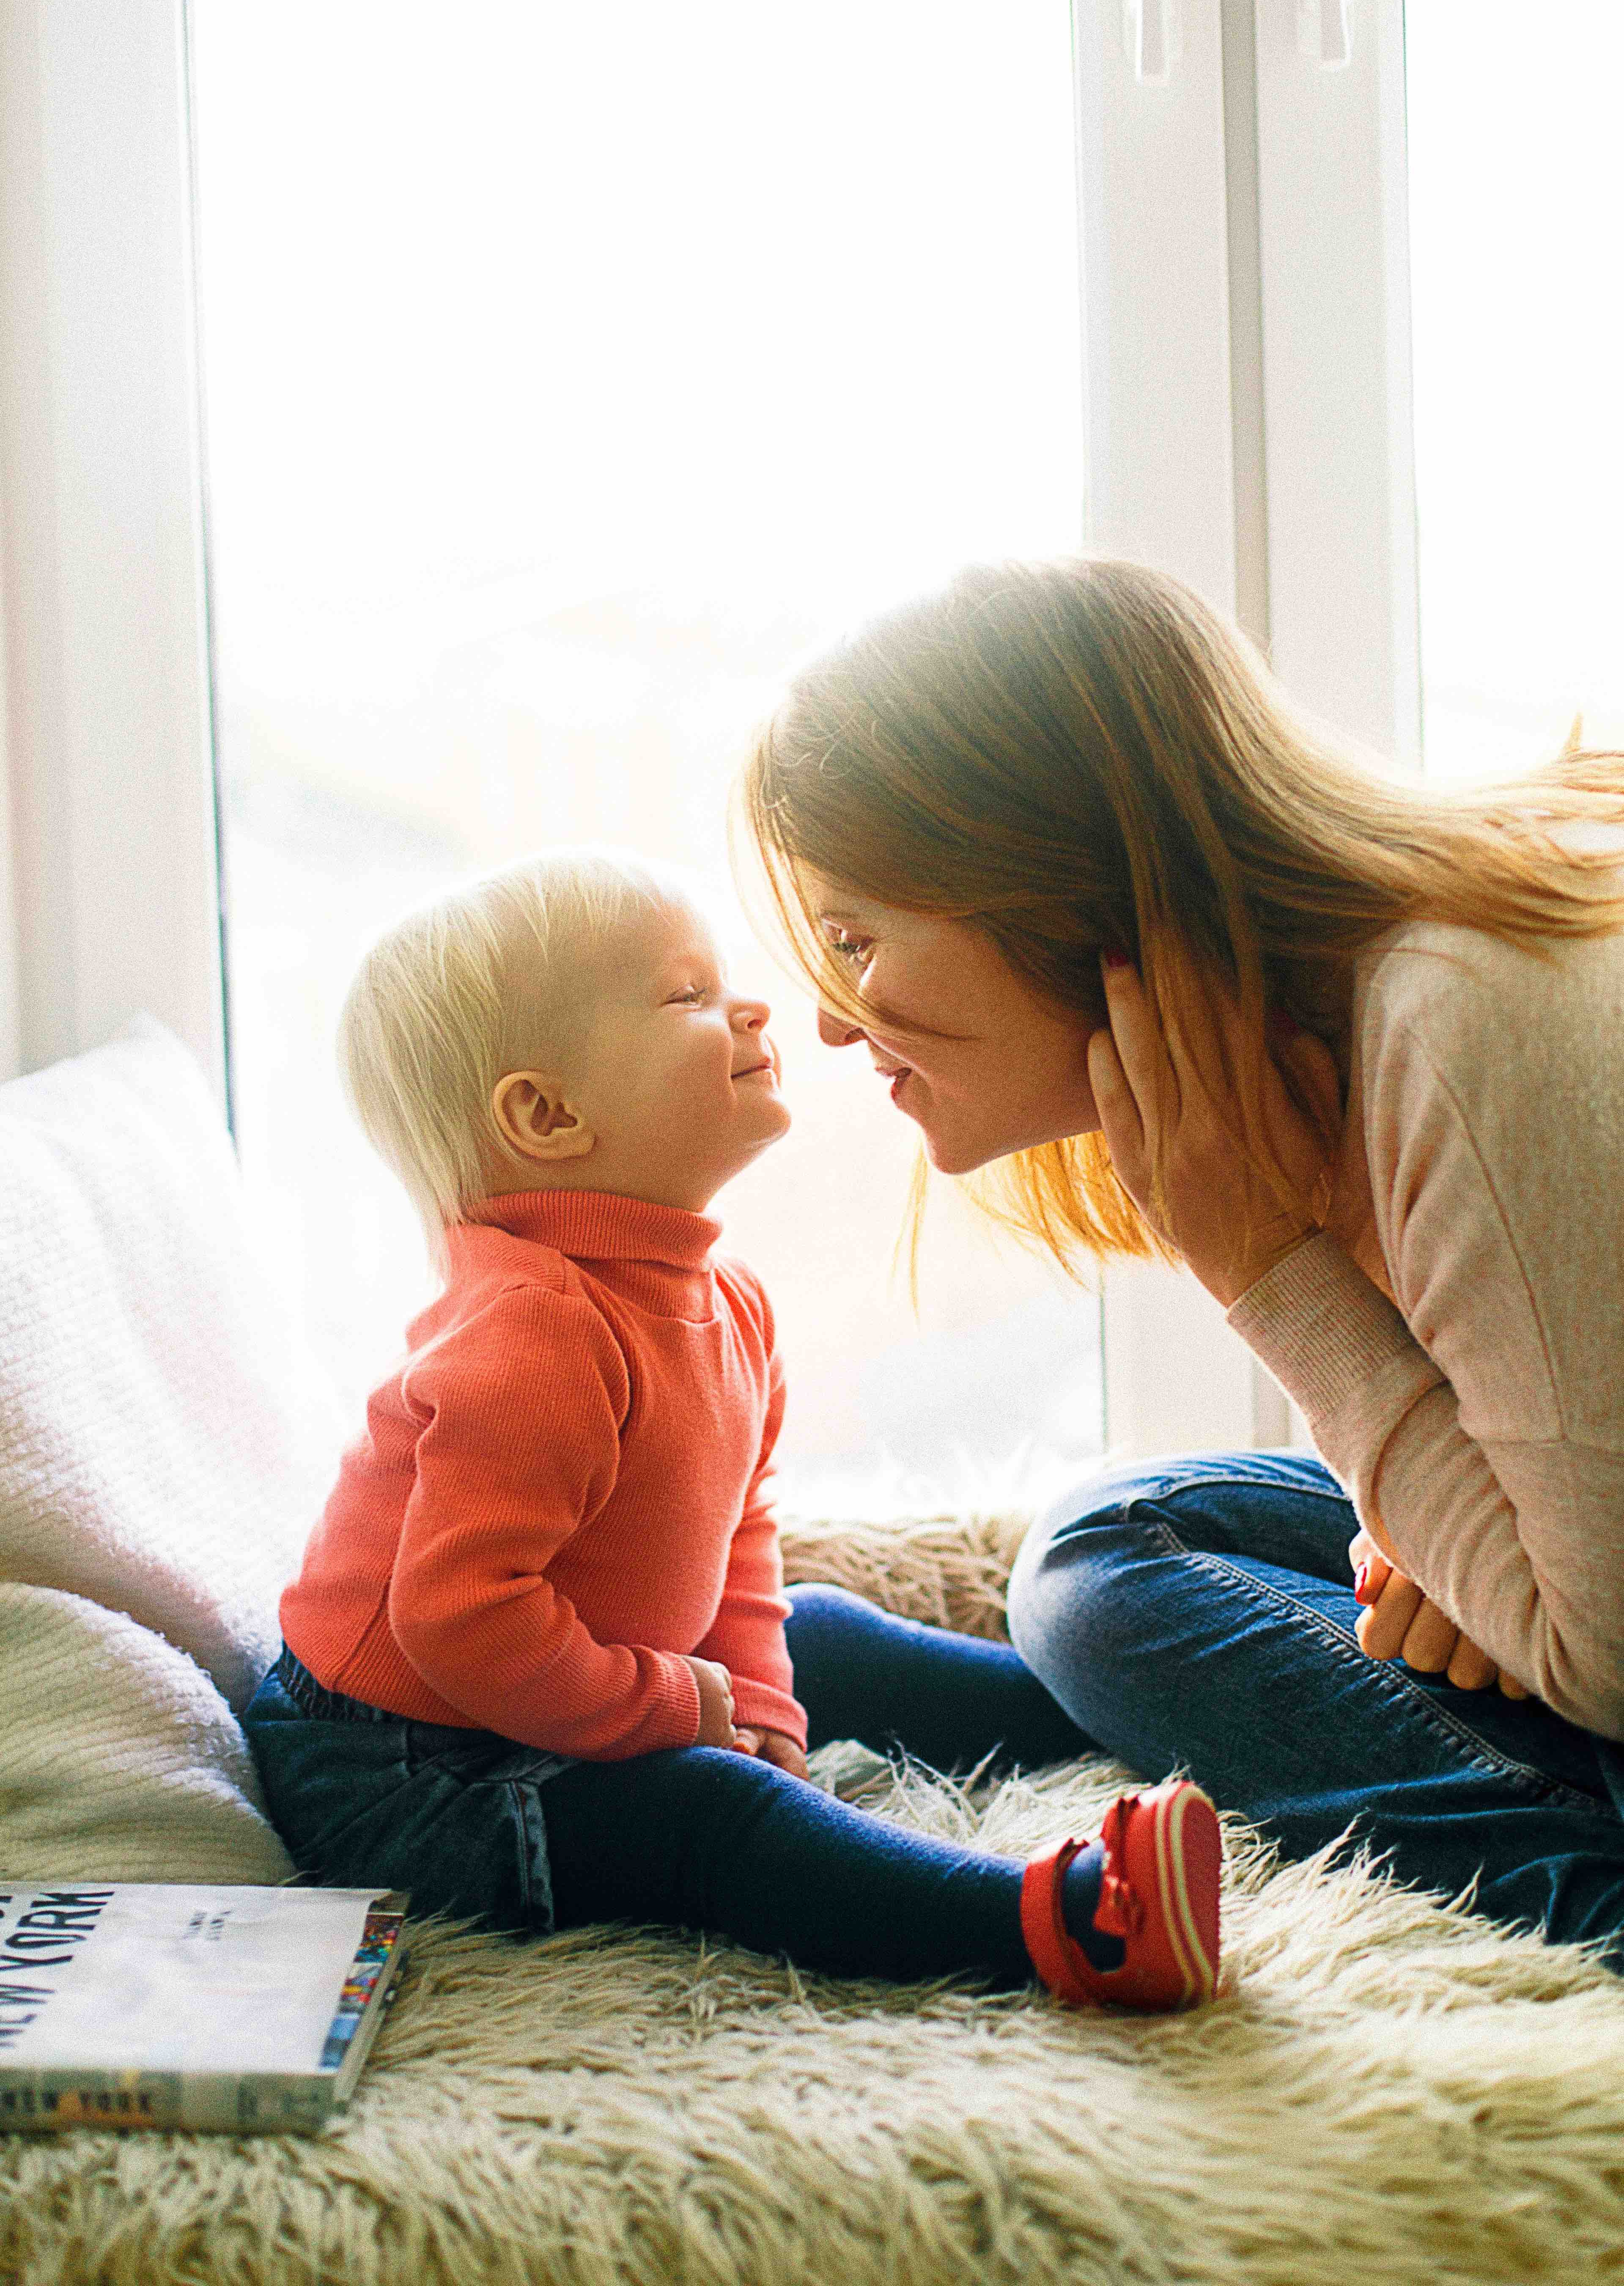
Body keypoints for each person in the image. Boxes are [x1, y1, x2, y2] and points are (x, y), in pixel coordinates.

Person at [736, 553, 1624, 1962]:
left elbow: (1602, 1657)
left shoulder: (1455, 1023)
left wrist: (1273, 1273)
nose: (839, 1024)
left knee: (1101, 1578)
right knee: (1118, 1539)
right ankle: (1154, 1715)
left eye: (857, 940)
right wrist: (1441, 1546)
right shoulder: (1362, 1017)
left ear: (1045, 880)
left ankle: (1584, 1890)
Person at [241, 848, 1222, 2012]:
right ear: (548, 1116)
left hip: (548, 1682)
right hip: (401, 1770)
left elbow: (737, 1539)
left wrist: (756, 1703)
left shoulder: (729, 1305)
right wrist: (669, 1712)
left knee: (821, 1631)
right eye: (686, 996)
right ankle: (1068, 1922)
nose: (753, 1005)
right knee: (711, 1816)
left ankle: (1151, 1716)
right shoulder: (532, 1334)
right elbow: (459, 1620)